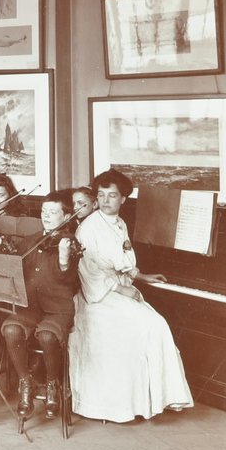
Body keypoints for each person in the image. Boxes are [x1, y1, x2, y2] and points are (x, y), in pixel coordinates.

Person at [69, 169, 193, 422]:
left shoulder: (119, 223)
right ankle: (120, 405)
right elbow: (88, 271)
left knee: (155, 324)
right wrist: (121, 288)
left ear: (123, 199)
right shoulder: (89, 228)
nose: (105, 200)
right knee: (150, 324)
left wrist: (141, 277)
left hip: (118, 290)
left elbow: (123, 260)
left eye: (112, 195)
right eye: (101, 195)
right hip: (97, 298)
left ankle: (156, 398)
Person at [0, 192, 79, 419]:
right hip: (29, 306)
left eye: (53, 213)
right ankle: (26, 382)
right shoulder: (31, 240)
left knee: (47, 336)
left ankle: (52, 383)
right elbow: (12, 268)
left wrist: (63, 258)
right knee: (11, 329)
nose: (47, 217)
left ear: (66, 216)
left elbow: (69, 280)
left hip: (57, 308)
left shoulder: (70, 243)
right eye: (44, 212)